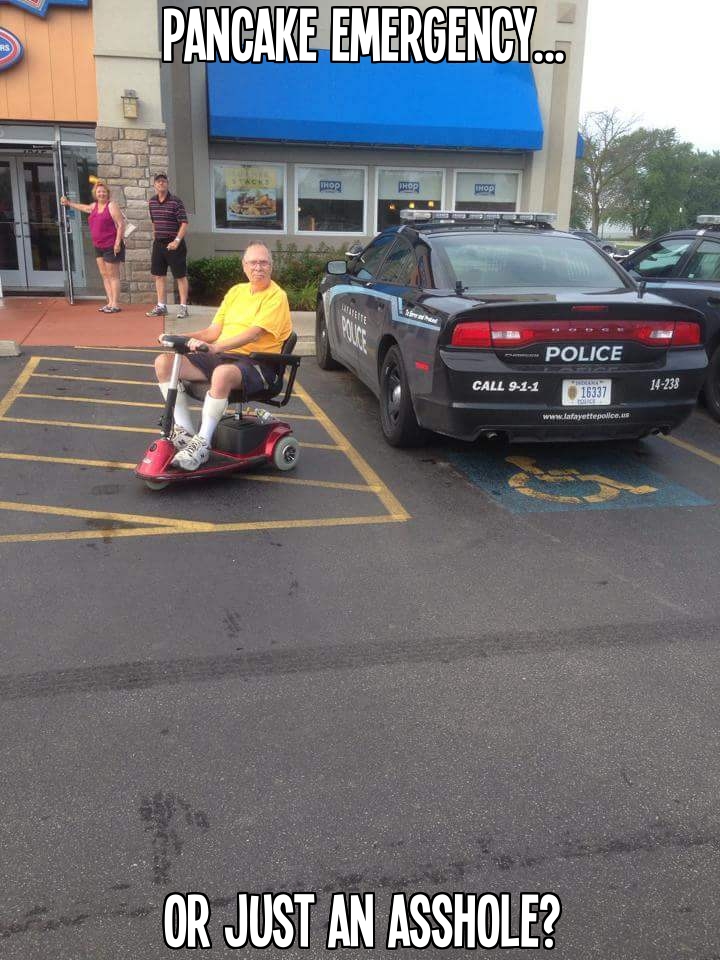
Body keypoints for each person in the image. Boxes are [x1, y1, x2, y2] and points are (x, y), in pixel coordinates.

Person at [153, 242, 292, 471]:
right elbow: (212, 332)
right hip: (224, 356)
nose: (258, 267)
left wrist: (215, 348)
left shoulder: (277, 296)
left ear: (271, 266)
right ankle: (186, 433)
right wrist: (179, 337)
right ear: (244, 266)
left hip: (259, 362)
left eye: (264, 262)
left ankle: (202, 444)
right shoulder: (236, 292)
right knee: (164, 363)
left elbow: (253, 334)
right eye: (253, 262)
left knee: (221, 373)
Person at [60, 182, 124, 313]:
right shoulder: (94, 206)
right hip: (98, 245)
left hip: (111, 245)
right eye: (99, 191)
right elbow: (83, 207)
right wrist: (69, 203)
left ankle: (115, 304)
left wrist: (117, 243)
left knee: (113, 276)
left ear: (108, 193)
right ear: (95, 193)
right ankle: (110, 302)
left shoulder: (111, 206)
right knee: (104, 275)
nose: (101, 193)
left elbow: (120, 224)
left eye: (103, 191)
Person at [146, 173, 190, 320]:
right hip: (159, 243)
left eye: (163, 182)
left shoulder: (176, 202)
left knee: (180, 276)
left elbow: (184, 223)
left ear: (167, 184)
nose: (161, 184)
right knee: (159, 275)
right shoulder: (152, 202)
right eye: (158, 182)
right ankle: (161, 306)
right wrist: (155, 236)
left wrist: (177, 241)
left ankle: (183, 307)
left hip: (174, 244)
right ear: (154, 185)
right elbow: (154, 221)